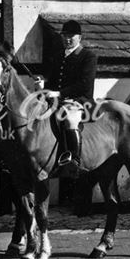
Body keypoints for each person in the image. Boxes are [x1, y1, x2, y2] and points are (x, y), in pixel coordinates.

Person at [38, 20, 97, 177]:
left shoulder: (88, 56)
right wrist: (43, 85)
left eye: (71, 36)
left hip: (80, 101)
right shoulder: (59, 56)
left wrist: (59, 93)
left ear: (80, 37)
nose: (67, 39)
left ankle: (74, 161)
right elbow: (54, 82)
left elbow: (84, 84)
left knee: (70, 120)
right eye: (65, 36)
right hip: (60, 100)